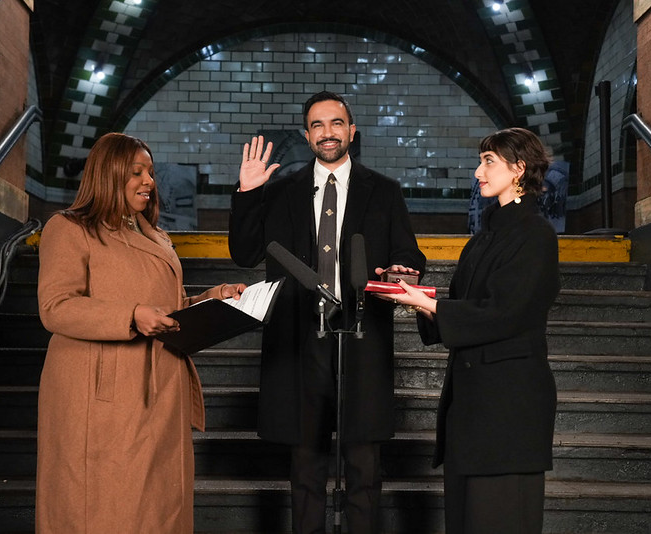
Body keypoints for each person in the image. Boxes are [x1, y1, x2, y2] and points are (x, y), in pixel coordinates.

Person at [229, 91, 426, 533]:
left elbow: (408, 252)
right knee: (305, 466)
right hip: (299, 339)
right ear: (307, 136)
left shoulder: (384, 191)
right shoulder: (280, 191)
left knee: (363, 465)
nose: (327, 132)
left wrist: (402, 269)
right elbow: (244, 253)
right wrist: (248, 192)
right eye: (317, 125)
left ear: (352, 131)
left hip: (362, 337)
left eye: (336, 123)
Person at [36, 132, 246, 533]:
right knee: (102, 507)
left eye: (149, 171)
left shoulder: (154, 235)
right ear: (108, 173)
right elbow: (56, 307)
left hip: (160, 388)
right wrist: (131, 316)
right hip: (102, 393)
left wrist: (215, 298)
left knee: (157, 506)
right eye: (136, 172)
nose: (149, 180)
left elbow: (169, 308)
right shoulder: (69, 228)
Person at [390, 127, 560, 533]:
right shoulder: (482, 240)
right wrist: (412, 292)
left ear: (519, 169)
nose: (477, 172)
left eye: (488, 162)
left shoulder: (536, 235)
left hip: (509, 412)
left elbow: (505, 313)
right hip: (470, 412)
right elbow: (461, 309)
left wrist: (432, 305)